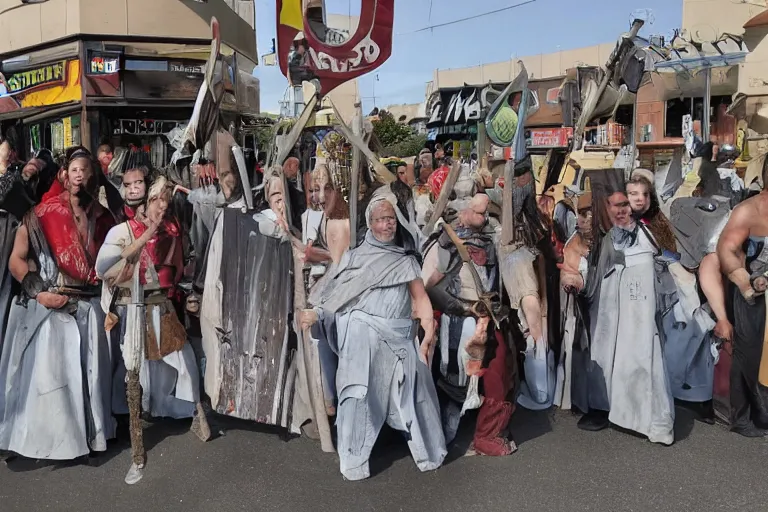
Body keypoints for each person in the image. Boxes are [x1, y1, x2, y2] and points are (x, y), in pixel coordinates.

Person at [303, 197, 447, 481]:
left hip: (399, 340)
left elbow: (420, 298)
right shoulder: (354, 258)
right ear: (370, 223)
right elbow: (333, 297)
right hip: (362, 339)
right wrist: (316, 314)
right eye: (381, 219)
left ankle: (427, 451)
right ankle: (355, 459)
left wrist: (427, 335)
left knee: (415, 390)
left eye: (391, 218)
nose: (387, 223)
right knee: (357, 388)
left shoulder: (404, 260)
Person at [0, 146, 117, 461]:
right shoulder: (42, 212)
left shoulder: (103, 216)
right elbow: (17, 260)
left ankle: (93, 437)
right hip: (55, 306)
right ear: (64, 174)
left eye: (84, 169)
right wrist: (39, 293)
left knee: (92, 376)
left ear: (92, 174)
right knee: (56, 380)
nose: (79, 175)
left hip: (91, 306)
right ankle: (56, 443)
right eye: (73, 169)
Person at [576, 188, 674, 445]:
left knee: (642, 352)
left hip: (638, 300)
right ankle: (604, 407)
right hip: (610, 300)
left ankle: (648, 419)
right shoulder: (606, 236)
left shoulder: (645, 233)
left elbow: (659, 261)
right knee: (607, 351)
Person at [424, 194, 516, 456]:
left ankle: (487, 433)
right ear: (464, 212)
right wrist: (465, 308)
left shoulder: (491, 239)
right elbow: (430, 288)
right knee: (454, 380)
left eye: (486, 213)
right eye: (478, 213)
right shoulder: (445, 243)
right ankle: (442, 435)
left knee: (497, 376)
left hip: (489, 321)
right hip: (460, 324)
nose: (484, 218)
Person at [717, 169, 768, 437]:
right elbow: (726, 249)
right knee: (749, 353)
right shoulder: (748, 211)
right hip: (753, 290)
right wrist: (744, 281)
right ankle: (743, 417)